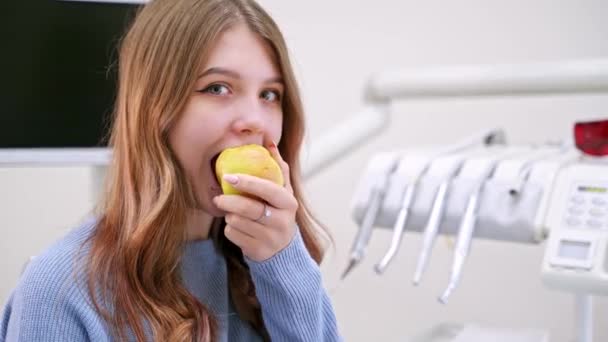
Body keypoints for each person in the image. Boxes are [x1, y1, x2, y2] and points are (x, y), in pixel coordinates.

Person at [0, 0, 342, 341]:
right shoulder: (58, 293)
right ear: (154, 107)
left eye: (269, 94)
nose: (255, 120)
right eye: (217, 88)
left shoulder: (278, 267)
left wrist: (284, 267)